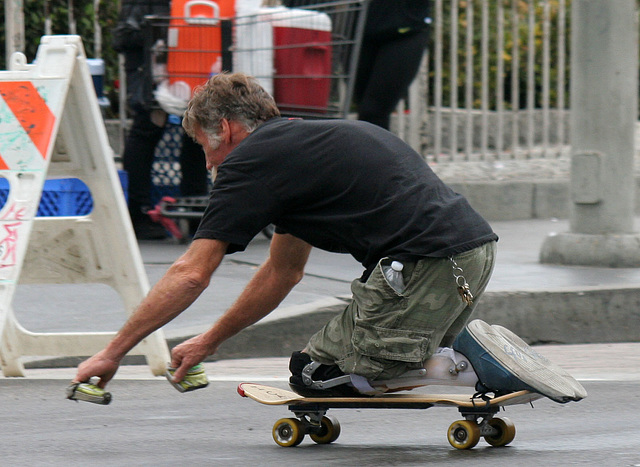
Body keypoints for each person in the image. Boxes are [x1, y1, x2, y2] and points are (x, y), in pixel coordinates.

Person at [73, 73, 586, 404]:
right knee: (343, 360)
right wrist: (209, 341)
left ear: (226, 129)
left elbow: (190, 272)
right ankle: (444, 349)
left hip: (425, 266)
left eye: (203, 147)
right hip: (471, 254)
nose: (207, 163)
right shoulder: (305, 149)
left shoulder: (250, 165)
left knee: (316, 373)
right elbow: (283, 272)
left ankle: (464, 365)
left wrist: (115, 352)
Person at [113, 0, 208, 240]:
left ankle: (191, 209)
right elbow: (125, 36)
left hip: (182, 63)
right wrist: (164, 28)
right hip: (154, 68)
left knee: (196, 130)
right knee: (149, 128)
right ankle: (141, 212)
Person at [353, 0, 432, 130]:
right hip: (360, 30)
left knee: (373, 111)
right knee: (364, 109)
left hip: (406, 31)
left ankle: (374, 149)